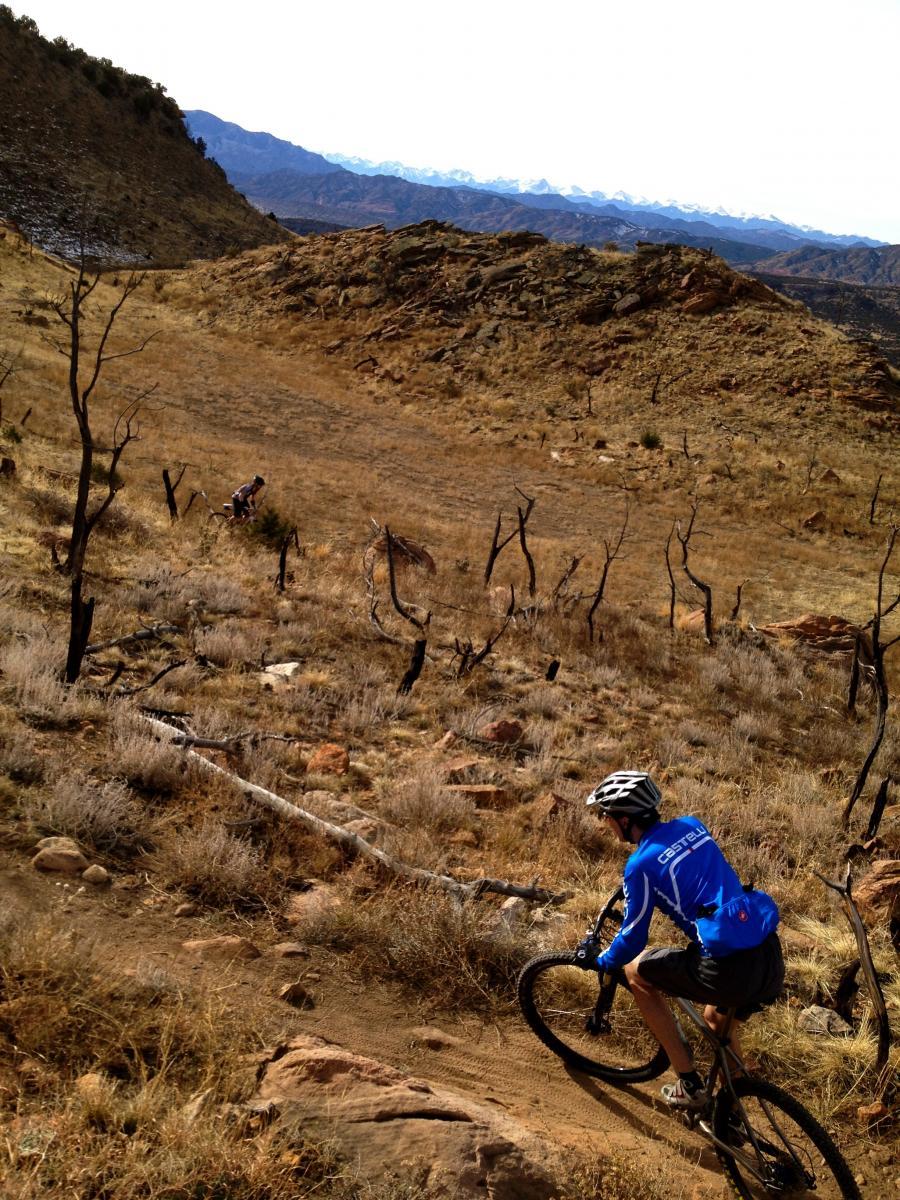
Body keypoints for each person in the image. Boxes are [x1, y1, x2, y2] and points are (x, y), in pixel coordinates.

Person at [574, 770, 784, 1110]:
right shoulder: (692, 825)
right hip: (768, 955)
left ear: (624, 819)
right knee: (716, 1021)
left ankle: (689, 1084)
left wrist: (603, 961)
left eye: (606, 815)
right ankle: (737, 1101)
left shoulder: (639, 865)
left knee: (635, 973)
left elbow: (632, 936)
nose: (605, 823)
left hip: (728, 970)